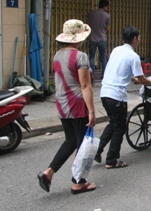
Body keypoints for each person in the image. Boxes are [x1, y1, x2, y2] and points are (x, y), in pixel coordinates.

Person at [37, 19, 97, 194]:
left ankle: (48, 172)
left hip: (62, 103)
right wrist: (92, 111)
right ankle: (78, 182)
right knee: (82, 144)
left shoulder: (57, 55)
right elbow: (85, 86)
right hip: (77, 104)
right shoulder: (80, 56)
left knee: (70, 141)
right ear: (77, 38)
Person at [95, 26, 151, 169]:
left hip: (105, 93)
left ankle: (97, 150)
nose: (139, 40)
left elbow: (118, 70)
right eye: (138, 38)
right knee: (119, 128)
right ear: (135, 39)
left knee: (113, 123)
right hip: (116, 96)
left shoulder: (116, 50)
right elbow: (143, 79)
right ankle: (112, 160)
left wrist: (132, 78)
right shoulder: (134, 56)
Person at [87, 0, 111, 80]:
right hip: (102, 39)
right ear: (105, 6)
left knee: (92, 57)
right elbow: (107, 29)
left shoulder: (91, 13)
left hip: (92, 39)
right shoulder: (107, 16)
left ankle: (92, 74)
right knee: (103, 57)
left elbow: (88, 25)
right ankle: (104, 74)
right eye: (107, 7)